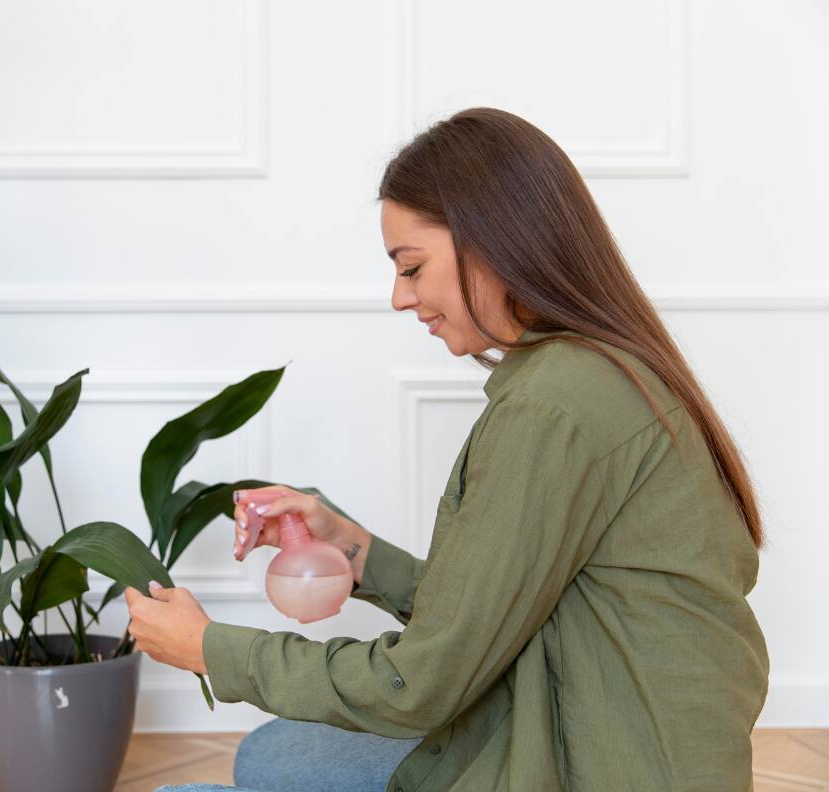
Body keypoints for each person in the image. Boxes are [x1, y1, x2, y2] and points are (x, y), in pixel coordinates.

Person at [124, 107, 769, 792]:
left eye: (411, 267)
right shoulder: (587, 373)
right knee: (274, 755)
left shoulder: (555, 408)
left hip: (584, 764)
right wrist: (352, 547)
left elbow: (418, 684)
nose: (400, 297)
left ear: (495, 241)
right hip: (582, 720)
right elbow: (489, 612)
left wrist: (209, 650)